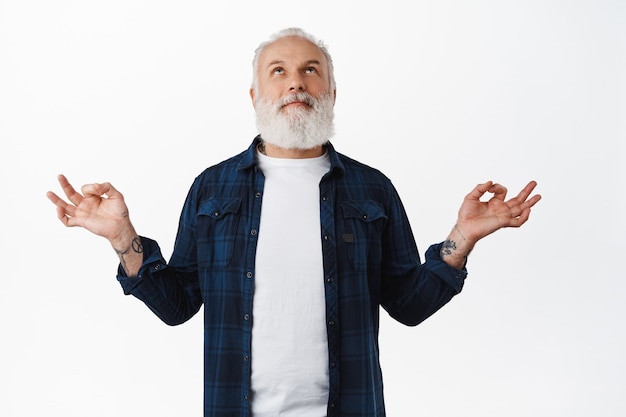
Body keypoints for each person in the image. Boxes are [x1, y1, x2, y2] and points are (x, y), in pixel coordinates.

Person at [47, 27, 541, 417]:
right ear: (255, 93)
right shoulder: (212, 188)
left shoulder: (372, 189)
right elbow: (177, 305)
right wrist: (122, 237)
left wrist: (463, 237)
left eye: (310, 70)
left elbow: (409, 304)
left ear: (331, 90)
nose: (295, 82)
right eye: (278, 71)